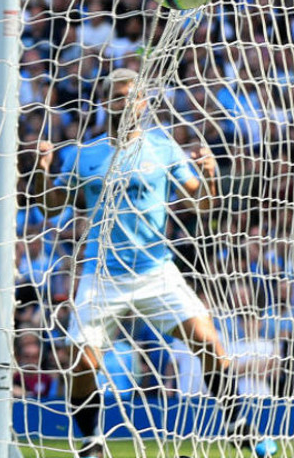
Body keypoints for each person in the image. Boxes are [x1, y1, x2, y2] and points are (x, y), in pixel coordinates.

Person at [30, 68, 272, 457]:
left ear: (143, 103)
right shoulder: (84, 154)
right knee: (79, 365)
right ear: (106, 102)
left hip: (155, 270)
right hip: (102, 274)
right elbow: (50, 205)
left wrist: (210, 176)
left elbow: (204, 204)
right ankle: (91, 441)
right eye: (117, 96)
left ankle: (237, 423)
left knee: (209, 342)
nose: (124, 102)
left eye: (131, 96)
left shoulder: (163, 148)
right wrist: (42, 173)